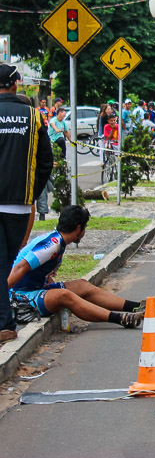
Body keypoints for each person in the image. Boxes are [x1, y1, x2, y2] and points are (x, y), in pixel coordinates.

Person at [8, 205, 155, 329]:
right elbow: (19, 268)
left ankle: (137, 307)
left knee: (82, 285)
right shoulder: (52, 245)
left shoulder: (57, 241)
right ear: (78, 228)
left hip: (35, 288)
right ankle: (121, 319)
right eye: (85, 227)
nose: (84, 232)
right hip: (21, 296)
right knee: (65, 296)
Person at [0, 64, 54, 343]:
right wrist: (31, 191)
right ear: (15, 84)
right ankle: (4, 323)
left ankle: (5, 323)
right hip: (18, 205)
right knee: (6, 262)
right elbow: (46, 161)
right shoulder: (32, 116)